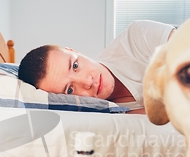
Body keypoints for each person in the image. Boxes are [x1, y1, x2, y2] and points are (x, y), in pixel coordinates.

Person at [18, 20, 176, 114]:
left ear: (73, 51)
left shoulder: (135, 37)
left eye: (75, 65)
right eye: (70, 90)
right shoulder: (110, 116)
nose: (87, 82)